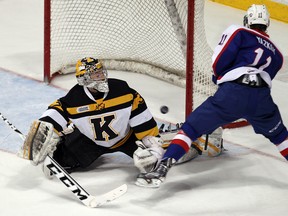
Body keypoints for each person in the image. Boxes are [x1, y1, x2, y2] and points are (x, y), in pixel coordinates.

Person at [136, 4, 288, 188]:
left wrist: (218, 77)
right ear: (267, 24)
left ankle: (161, 169)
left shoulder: (239, 31)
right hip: (262, 100)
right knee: (281, 137)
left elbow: (219, 60)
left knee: (190, 129)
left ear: (247, 21)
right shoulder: (278, 54)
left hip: (232, 94)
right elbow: (266, 78)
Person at [20, 57, 223, 179]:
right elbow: (53, 115)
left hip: (128, 137)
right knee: (59, 161)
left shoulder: (123, 91)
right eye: (96, 75)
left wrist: (153, 148)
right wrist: (43, 133)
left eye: (101, 73)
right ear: (84, 80)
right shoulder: (73, 99)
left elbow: (144, 125)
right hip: (91, 141)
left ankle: (202, 138)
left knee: (154, 161)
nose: (102, 78)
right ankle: (65, 141)